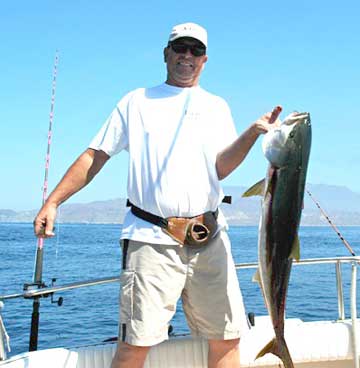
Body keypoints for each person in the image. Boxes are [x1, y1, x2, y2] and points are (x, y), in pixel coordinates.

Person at [34, 22, 281, 368]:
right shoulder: (136, 102)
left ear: (205, 60)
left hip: (209, 238)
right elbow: (95, 155)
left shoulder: (217, 106)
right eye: (180, 48)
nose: (187, 56)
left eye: (195, 50)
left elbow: (221, 168)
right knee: (135, 345)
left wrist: (253, 133)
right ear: (166, 54)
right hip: (150, 238)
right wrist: (53, 201)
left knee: (227, 339)